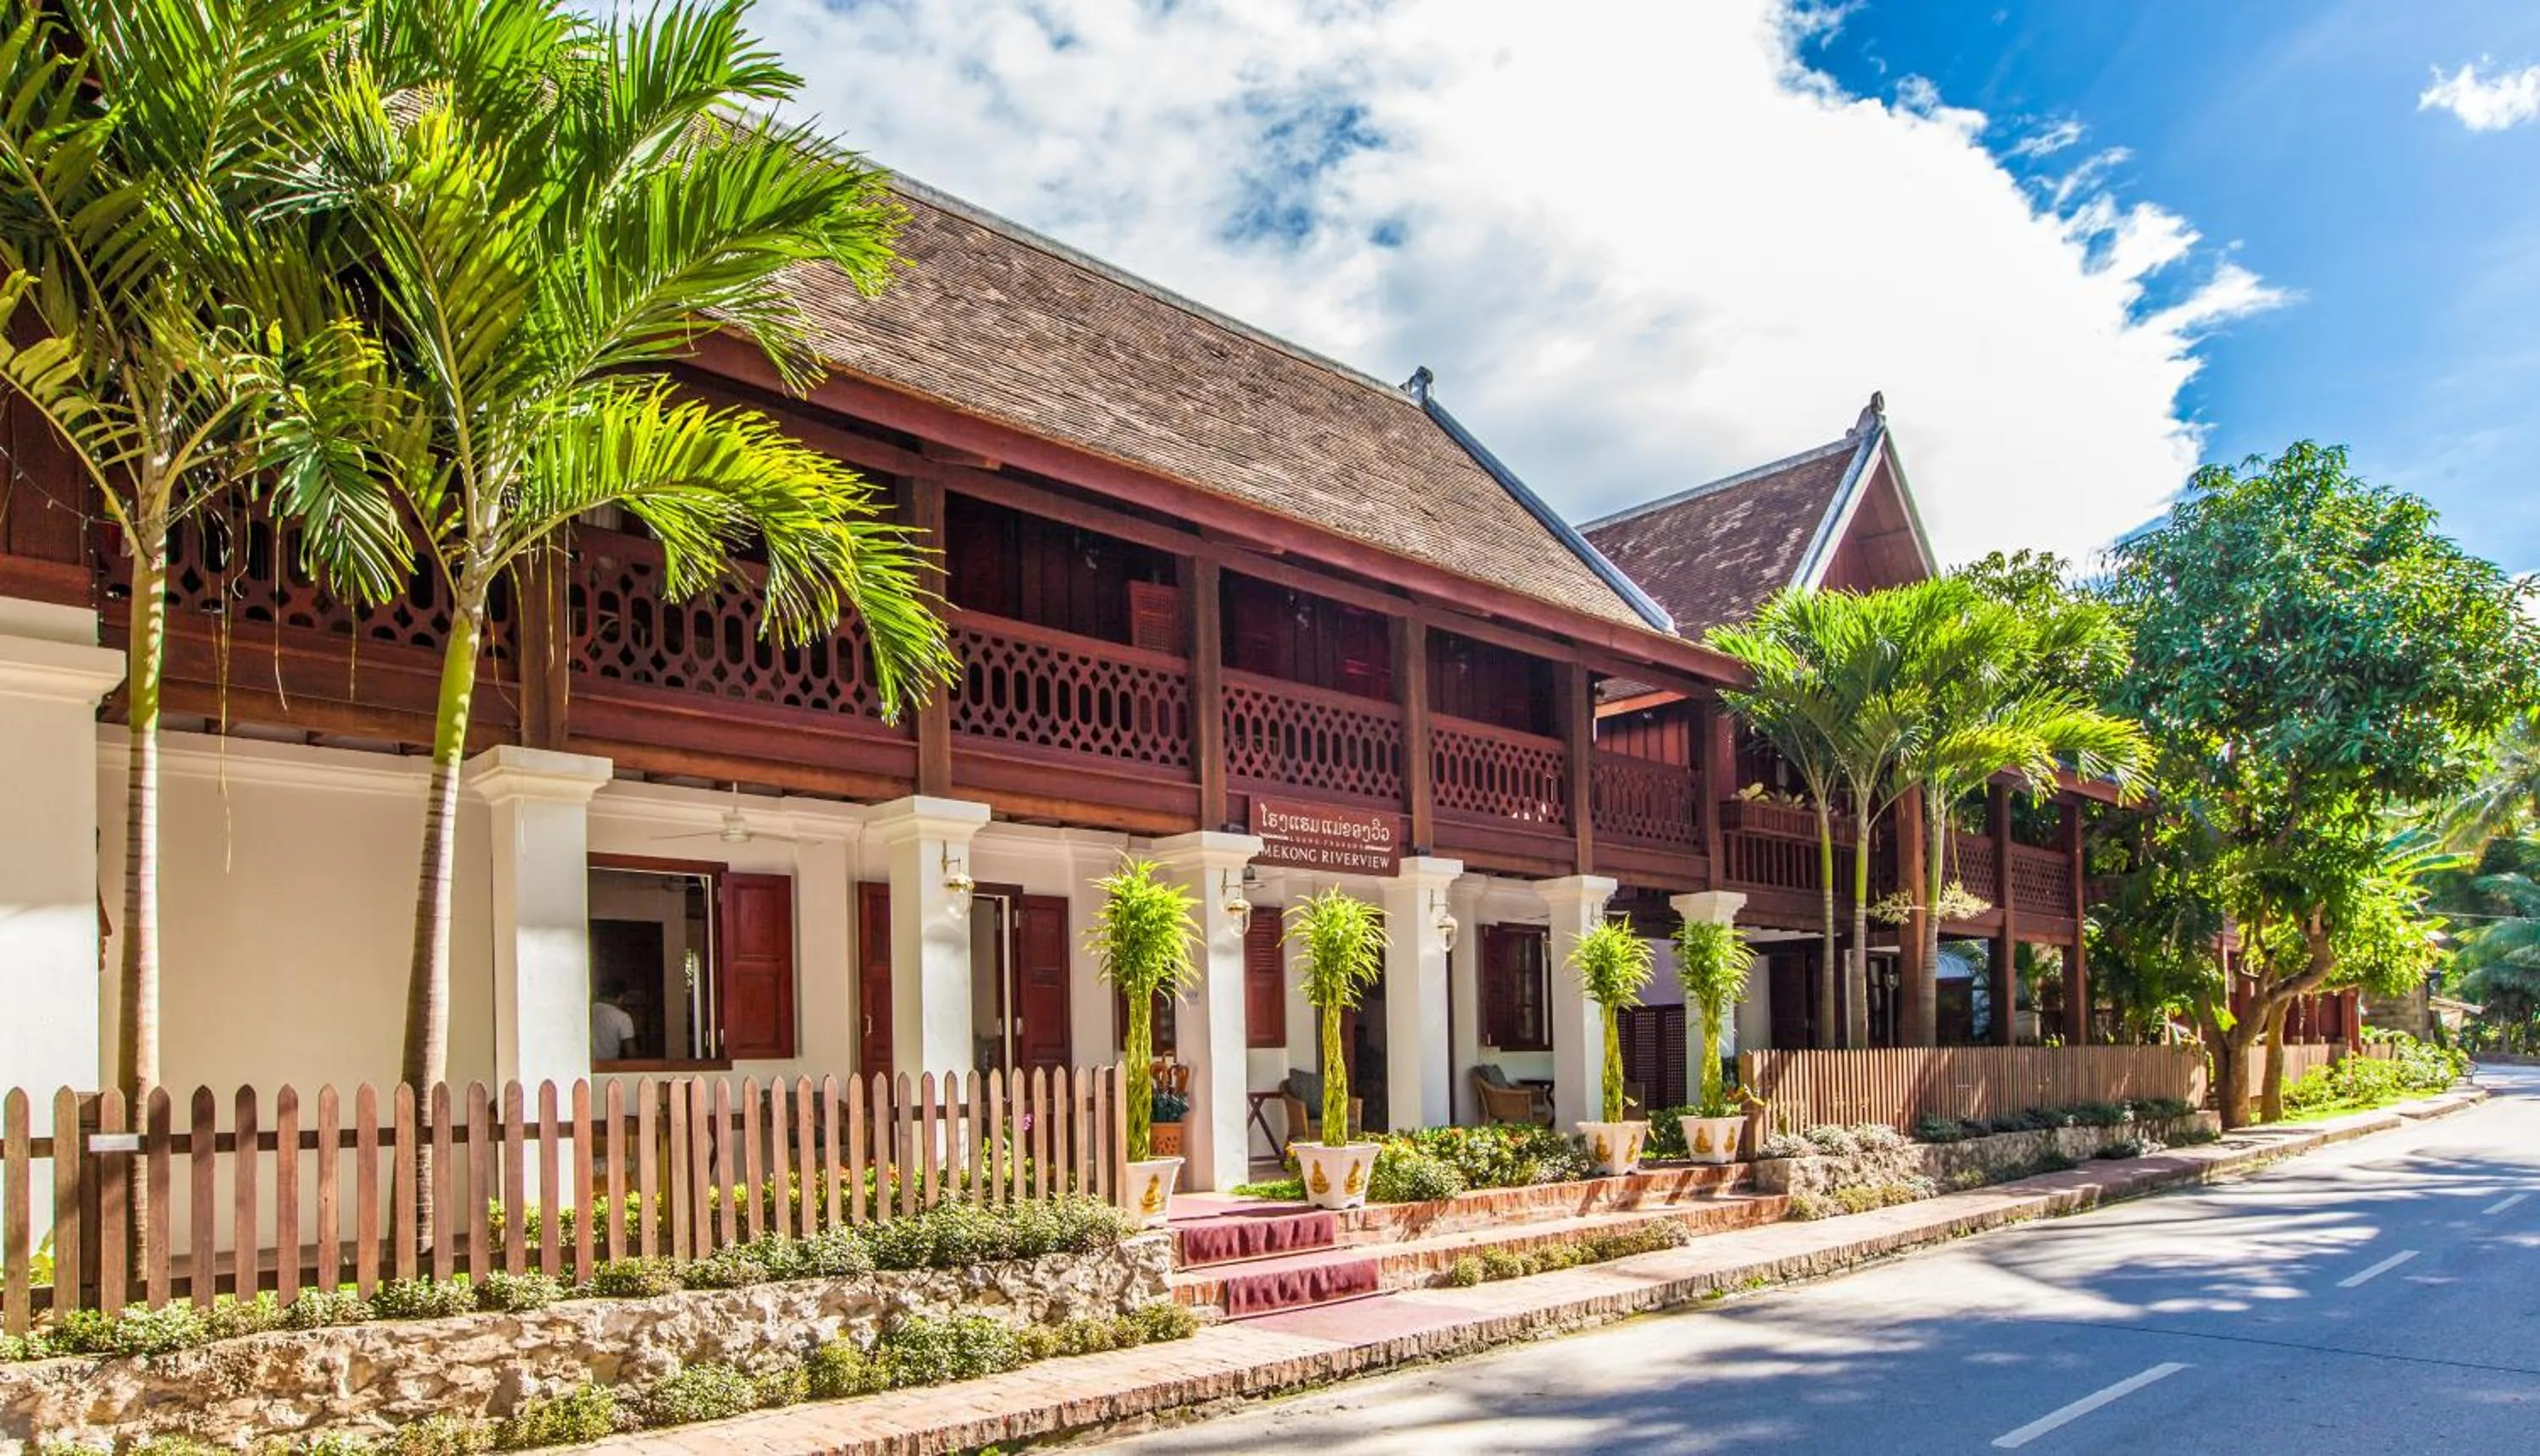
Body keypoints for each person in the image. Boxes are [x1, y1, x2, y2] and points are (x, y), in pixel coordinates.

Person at [592, 977, 638, 1063]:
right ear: (621, 997)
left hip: (585, 1066)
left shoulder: (586, 1012)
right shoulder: (622, 1017)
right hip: (610, 1067)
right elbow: (631, 1053)